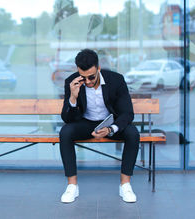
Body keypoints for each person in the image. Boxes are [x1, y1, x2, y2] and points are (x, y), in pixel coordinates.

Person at [59, 49, 140, 203]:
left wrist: (111, 129)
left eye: (91, 77)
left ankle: (125, 185)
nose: (88, 82)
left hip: (110, 123)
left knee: (133, 133)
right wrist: (73, 98)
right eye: (84, 77)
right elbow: (67, 119)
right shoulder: (72, 82)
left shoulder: (116, 80)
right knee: (65, 132)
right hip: (86, 123)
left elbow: (127, 113)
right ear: (78, 71)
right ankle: (72, 186)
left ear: (98, 68)